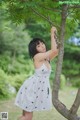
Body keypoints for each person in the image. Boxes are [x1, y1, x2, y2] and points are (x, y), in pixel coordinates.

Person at [14, 26, 59, 120]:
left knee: (26, 116)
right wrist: (51, 33)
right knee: (27, 117)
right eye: (38, 45)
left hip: (37, 89)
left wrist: (55, 35)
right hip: (32, 89)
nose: (42, 46)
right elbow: (54, 50)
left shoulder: (46, 58)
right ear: (35, 50)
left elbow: (56, 52)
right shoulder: (37, 57)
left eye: (42, 43)